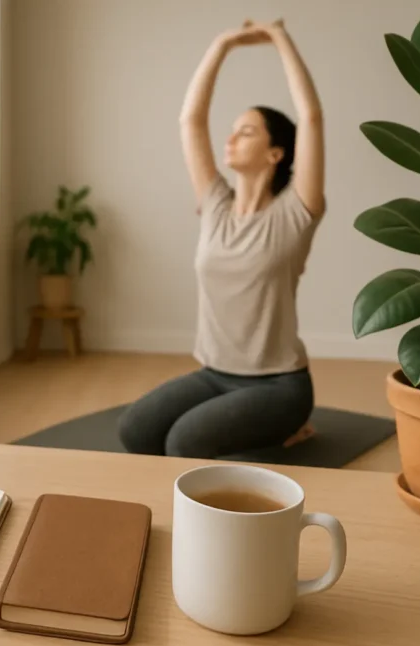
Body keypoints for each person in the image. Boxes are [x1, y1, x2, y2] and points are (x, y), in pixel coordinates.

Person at [118, 19, 325, 459]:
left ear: (276, 154)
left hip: (279, 384)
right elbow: (191, 121)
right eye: (232, 130)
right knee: (135, 431)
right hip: (214, 373)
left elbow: (310, 117)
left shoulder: (296, 211)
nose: (230, 138)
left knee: (182, 443)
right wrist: (222, 43)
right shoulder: (214, 205)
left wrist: (278, 38)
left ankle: (286, 427)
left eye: (247, 131)